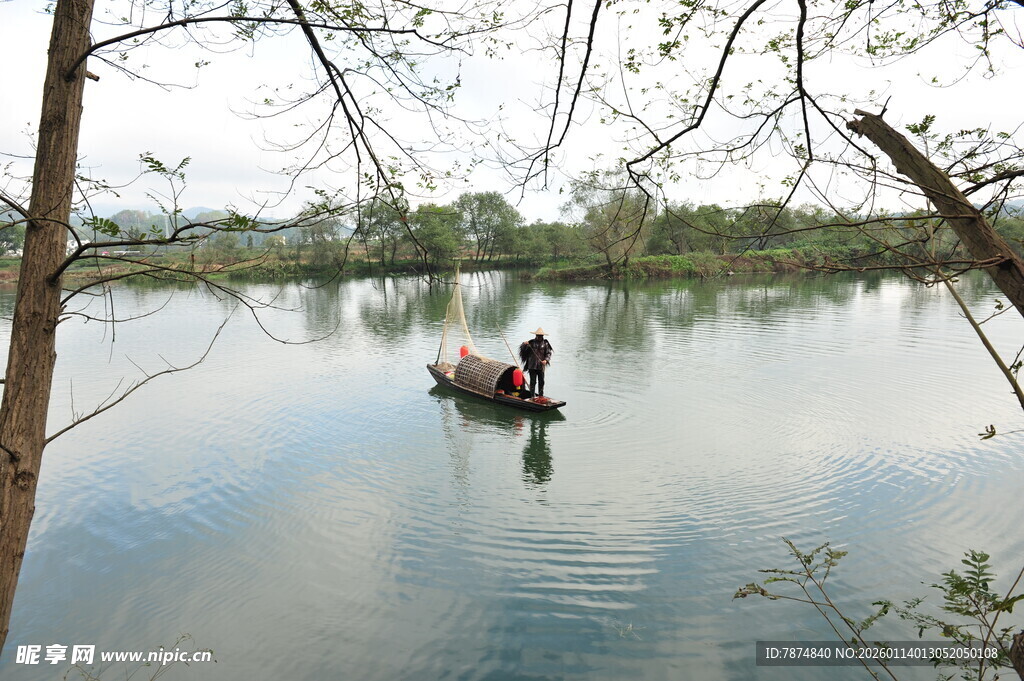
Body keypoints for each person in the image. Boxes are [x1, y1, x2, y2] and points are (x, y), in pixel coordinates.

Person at [518, 328, 553, 398]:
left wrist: (545, 360)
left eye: (540, 335)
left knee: (541, 381)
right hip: (532, 365)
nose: (539, 337)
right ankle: (532, 396)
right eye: (537, 335)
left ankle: (540, 395)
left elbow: (548, 353)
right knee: (533, 381)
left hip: (541, 366)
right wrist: (524, 344)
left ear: (542, 336)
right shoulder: (531, 342)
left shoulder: (545, 343)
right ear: (536, 335)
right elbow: (523, 349)